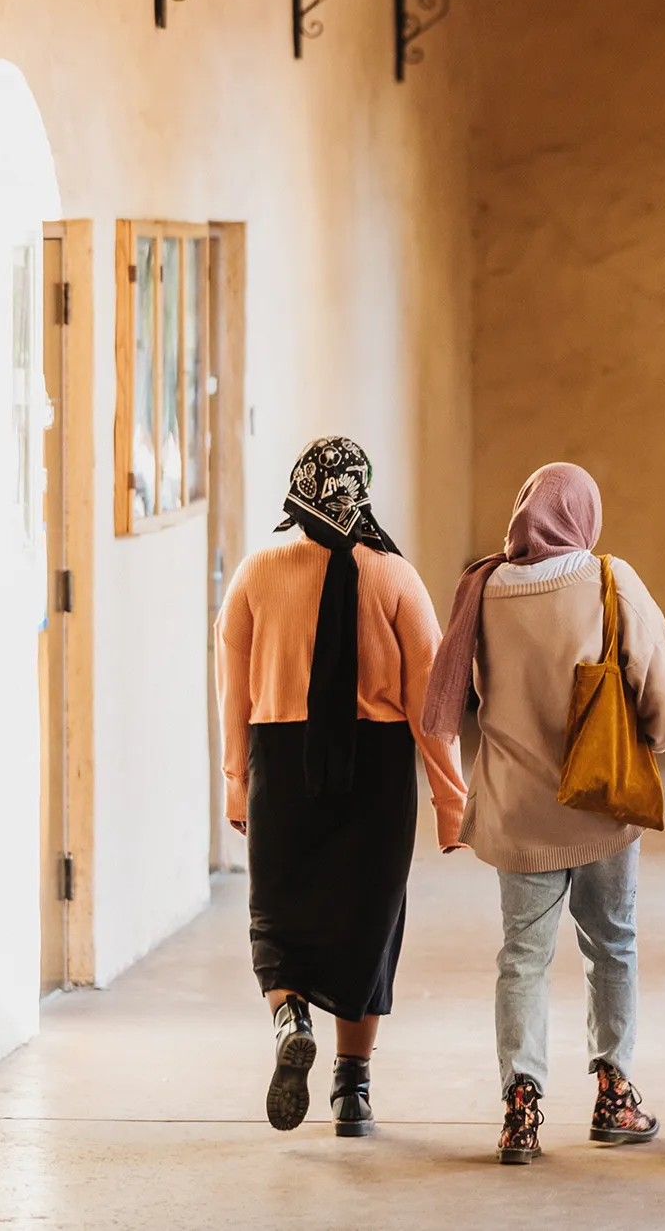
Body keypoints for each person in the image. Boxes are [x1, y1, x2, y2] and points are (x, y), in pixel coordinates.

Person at [422, 463, 665, 1165]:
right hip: (599, 804)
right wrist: (646, 743)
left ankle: (520, 1107)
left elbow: (463, 694)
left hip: (518, 813)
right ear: (582, 515)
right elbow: (663, 685)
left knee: (521, 958)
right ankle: (615, 1092)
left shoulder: (484, 587)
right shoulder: (609, 578)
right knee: (613, 946)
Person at [215, 436, 468, 1138]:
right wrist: (452, 802)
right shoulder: (394, 576)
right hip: (377, 772)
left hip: (281, 762)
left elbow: (232, 693)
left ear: (297, 492)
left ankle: (290, 1015)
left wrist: (237, 785)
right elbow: (433, 702)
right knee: (370, 926)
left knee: (279, 914)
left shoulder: (256, 575)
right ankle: (351, 1088)